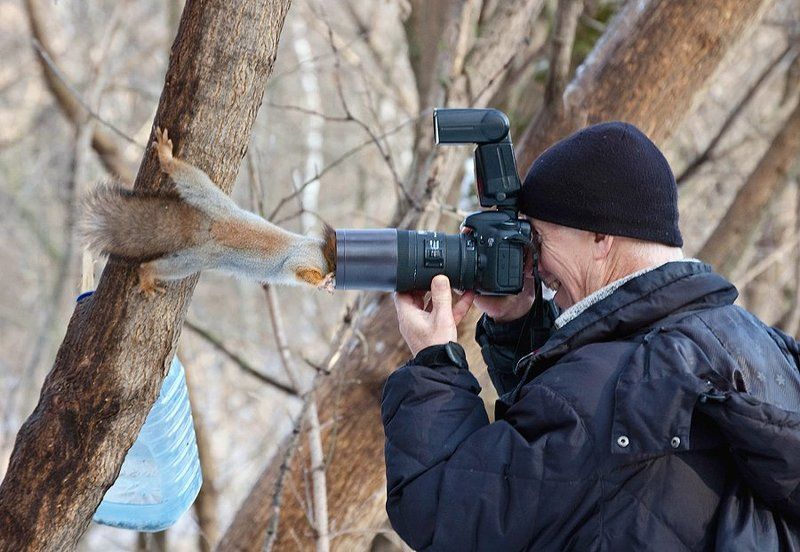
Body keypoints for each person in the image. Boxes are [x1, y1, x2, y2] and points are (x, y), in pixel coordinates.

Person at [383, 122, 800, 551]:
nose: (535, 264)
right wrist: (518, 326)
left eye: (538, 240)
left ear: (600, 237)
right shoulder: (756, 345)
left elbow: (444, 510)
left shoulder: (612, 387)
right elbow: (578, 478)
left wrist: (435, 362)